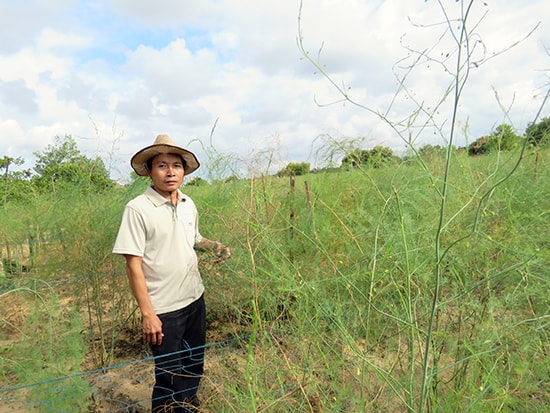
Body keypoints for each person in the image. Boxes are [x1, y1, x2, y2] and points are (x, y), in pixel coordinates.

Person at [113, 134, 231, 412]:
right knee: (168, 376)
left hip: (194, 298)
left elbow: (194, 238)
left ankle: (188, 408)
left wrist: (213, 245)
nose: (170, 172)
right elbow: (133, 264)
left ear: (184, 171)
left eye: (176, 165)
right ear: (149, 171)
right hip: (163, 309)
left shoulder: (189, 203)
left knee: (193, 366)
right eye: (162, 165)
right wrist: (148, 313)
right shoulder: (138, 209)